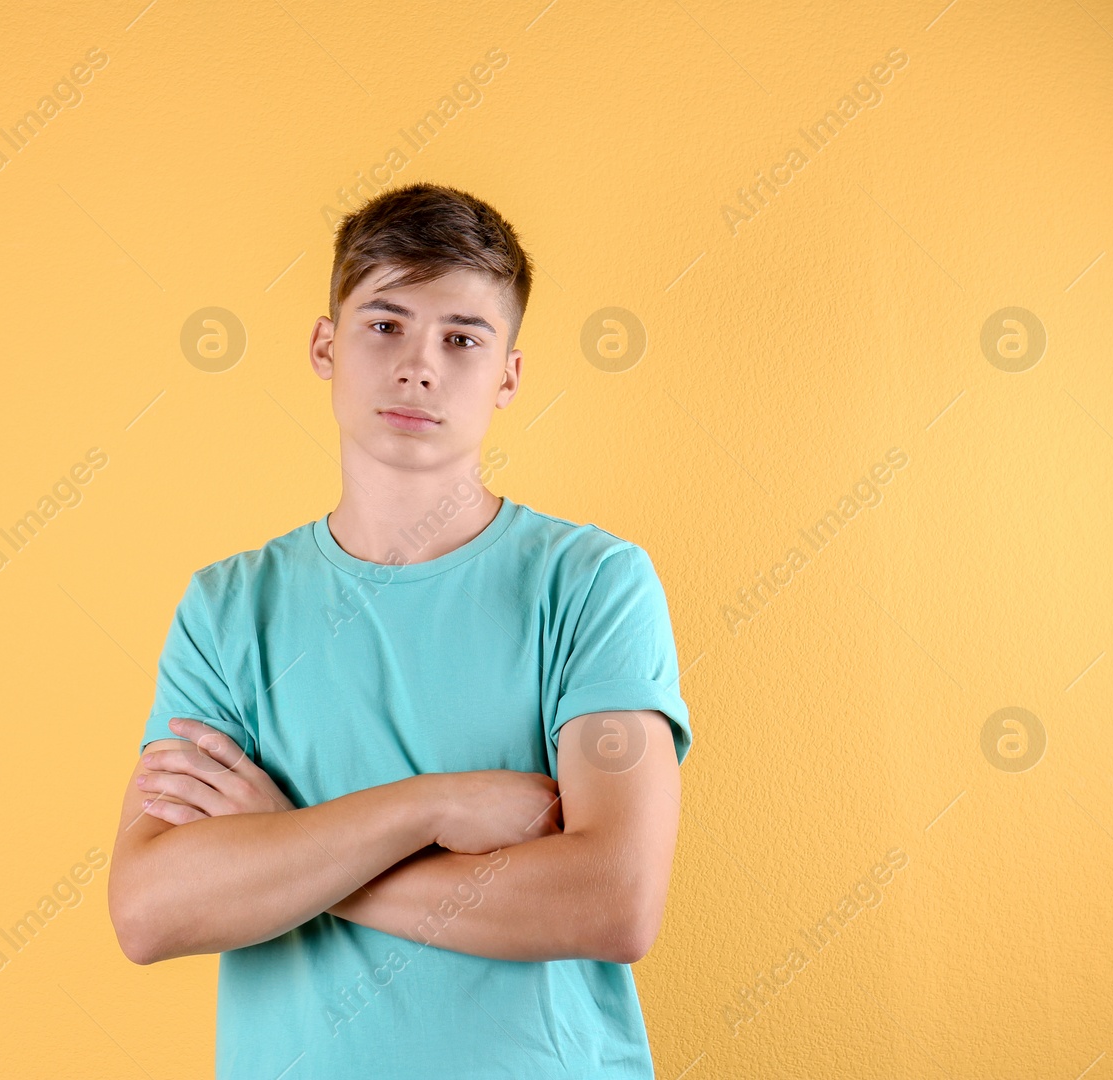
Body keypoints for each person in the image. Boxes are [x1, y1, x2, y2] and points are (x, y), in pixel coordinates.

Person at [106, 182, 693, 1079]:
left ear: (508, 376)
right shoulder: (228, 608)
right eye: (385, 325)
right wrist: (435, 807)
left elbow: (613, 902)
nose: (420, 365)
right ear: (324, 344)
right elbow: (151, 910)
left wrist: (291, 847)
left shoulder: (593, 585)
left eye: (462, 338)